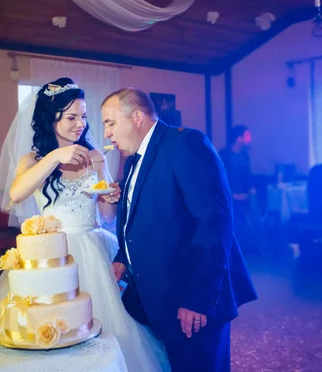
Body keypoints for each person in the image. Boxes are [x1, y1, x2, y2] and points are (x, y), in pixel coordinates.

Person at [0, 78, 170, 371]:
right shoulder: (34, 159)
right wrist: (56, 156)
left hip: (96, 248)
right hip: (54, 254)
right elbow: (16, 194)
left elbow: (106, 215)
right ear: (50, 118)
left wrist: (111, 196)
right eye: (71, 117)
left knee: (107, 330)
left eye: (83, 116)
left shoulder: (95, 155)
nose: (80, 124)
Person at [101, 88, 257, 372]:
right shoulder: (135, 157)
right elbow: (143, 217)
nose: (107, 133)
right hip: (160, 296)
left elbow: (214, 223)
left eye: (110, 122)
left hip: (194, 299)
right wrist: (123, 256)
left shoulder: (186, 143)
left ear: (136, 117)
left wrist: (197, 298)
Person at [218, 125, 255, 246]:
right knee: (230, 223)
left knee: (243, 223)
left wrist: (250, 188)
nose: (250, 139)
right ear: (239, 138)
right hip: (228, 197)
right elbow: (221, 177)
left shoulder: (245, 156)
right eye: (247, 136)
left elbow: (247, 175)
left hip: (244, 196)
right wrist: (232, 194)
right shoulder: (224, 155)